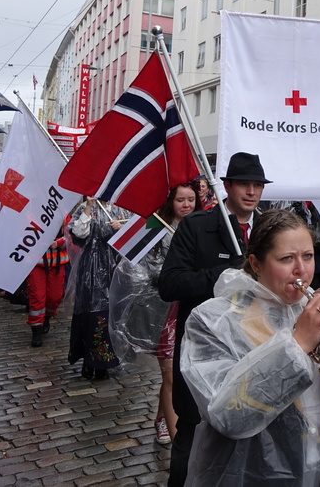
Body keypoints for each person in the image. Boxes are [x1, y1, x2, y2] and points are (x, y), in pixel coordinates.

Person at [180, 209, 320, 485]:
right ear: (256, 263)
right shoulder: (212, 320)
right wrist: (298, 344)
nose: (302, 270)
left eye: (308, 256)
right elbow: (228, 416)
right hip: (254, 473)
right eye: (286, 258)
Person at [158, 152, 269, 487]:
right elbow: (170, 284)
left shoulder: (270, 229)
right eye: (244, 184)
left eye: (257, 185)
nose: (251, 192)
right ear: (227, 186)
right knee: (191, 441)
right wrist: (225, 273)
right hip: (204, 354)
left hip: (253, 351)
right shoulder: (196, 226)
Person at [109, 182, 201, 445]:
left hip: (191, 310)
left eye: (191, 199)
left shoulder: (201, 226)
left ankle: (162, 416)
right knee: (170, 374)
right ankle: (177, 441)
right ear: (171, 202)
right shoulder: (155, 227)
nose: (186, 205)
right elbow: (145, 269)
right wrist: (180, 276)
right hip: (162, 312)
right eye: (181, 200)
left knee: (178, 375)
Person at [68, 198, 123, 380]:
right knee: (92, 314)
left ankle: (104, 362)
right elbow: (78, 233)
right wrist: (89, 207)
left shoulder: (122, 209)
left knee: (111, 314)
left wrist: (122, 229)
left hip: (115, 267)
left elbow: (135, 236)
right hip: (91, 269)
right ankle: (89, 359)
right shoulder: (85, 208)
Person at [27, 229, 69, 348]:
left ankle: (46, 317)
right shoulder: (27, 218)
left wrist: (59, 242)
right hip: (35, 262)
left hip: (57, 262)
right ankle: (36, 329)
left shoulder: (63, 218)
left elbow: (72, 234)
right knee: (37, 297)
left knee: (54, 298)